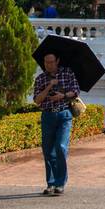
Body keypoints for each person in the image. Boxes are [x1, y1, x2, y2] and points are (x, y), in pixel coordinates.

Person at [34, 52, 80, 195]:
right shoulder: (41, 78)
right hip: (48, 115)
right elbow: (37, 100)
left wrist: (63, 95)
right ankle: (51, 183)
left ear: (57, 61)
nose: (48, 65)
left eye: (51, 62)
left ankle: (60, 183)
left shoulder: (67, 73)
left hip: (64, 114)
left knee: (61, 147)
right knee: (48, 151)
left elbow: (76, 90)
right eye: (46, 62)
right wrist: (49, 86)